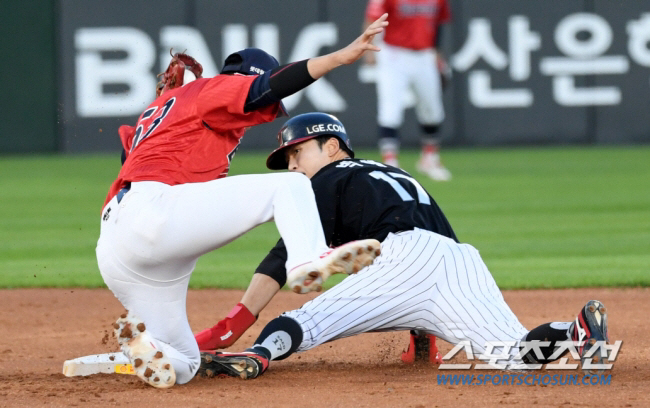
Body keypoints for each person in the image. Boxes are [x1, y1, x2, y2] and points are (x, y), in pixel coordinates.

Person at [196, 112, 610, 379]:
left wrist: (236, 319)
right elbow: (423, 244)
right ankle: (576, 330)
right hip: (459, 260)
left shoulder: (326, 178)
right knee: (516, 354)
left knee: (307, 321)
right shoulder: (386, 173)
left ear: (332, 147)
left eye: (297, 153)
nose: (292, 167)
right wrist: (424, 335)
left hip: (404, 260)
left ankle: (257, 354)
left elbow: (282, 256)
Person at [96, 15, 389, 389]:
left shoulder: (171, 107)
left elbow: (130, 160)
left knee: (183, 364)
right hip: (154, 214)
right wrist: (337, 58)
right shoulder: (215, 89)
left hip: (121, 247)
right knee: (289, 186)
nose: (264, 111)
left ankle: (144, 343)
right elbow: (264, 88)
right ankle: (309, 259)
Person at [363, 0, 453, 180]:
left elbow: (438, 23)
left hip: (425, 54)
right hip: (394, 54)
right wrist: (368, 49)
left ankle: (429, 158)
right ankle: (390, 161)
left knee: (432, 111)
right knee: (390, 111)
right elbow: (372, 19)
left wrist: (437, 52)